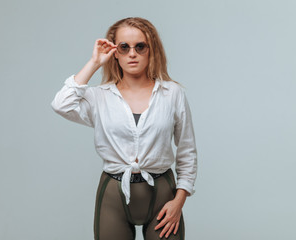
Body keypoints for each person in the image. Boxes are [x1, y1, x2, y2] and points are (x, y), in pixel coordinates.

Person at [51, 17, 197, 240]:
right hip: (113, 195)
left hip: (162, 195)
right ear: (115, 52)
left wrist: (179, 201)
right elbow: (61, 104)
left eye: (140, 46)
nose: (132, 54)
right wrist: (94, 62)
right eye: (124, 47)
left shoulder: (172, 94)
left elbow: (187, 151)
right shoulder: (99, 97)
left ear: (151, 50)